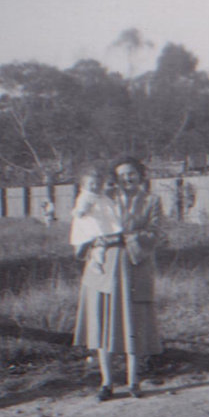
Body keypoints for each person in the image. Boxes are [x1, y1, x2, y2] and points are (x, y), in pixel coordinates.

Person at [74, 156, 164, 401]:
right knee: (103, 324)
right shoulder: (104, 198)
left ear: (141, 175)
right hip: (103, 267)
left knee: (132, 325)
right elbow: (83, 223)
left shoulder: (152, 201)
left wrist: (125, 238)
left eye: (131, 173)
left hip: (134, 267)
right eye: (122, 175)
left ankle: (134, 381)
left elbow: (155, 233)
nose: (127, 179)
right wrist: (93, 241)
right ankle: (107, 382)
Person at [69, 166, 120, 271]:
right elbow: (80, 209)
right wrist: (81, 211)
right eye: (91, 184)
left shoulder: (101, 196)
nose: (95, 186)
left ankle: (95, 261)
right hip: (91, 226)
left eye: (98, 184)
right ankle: (94, 261)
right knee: (98, 244)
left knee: (102, 245)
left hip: (101, 224)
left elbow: (110, 205)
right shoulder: (86, 196)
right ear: (83, 186)